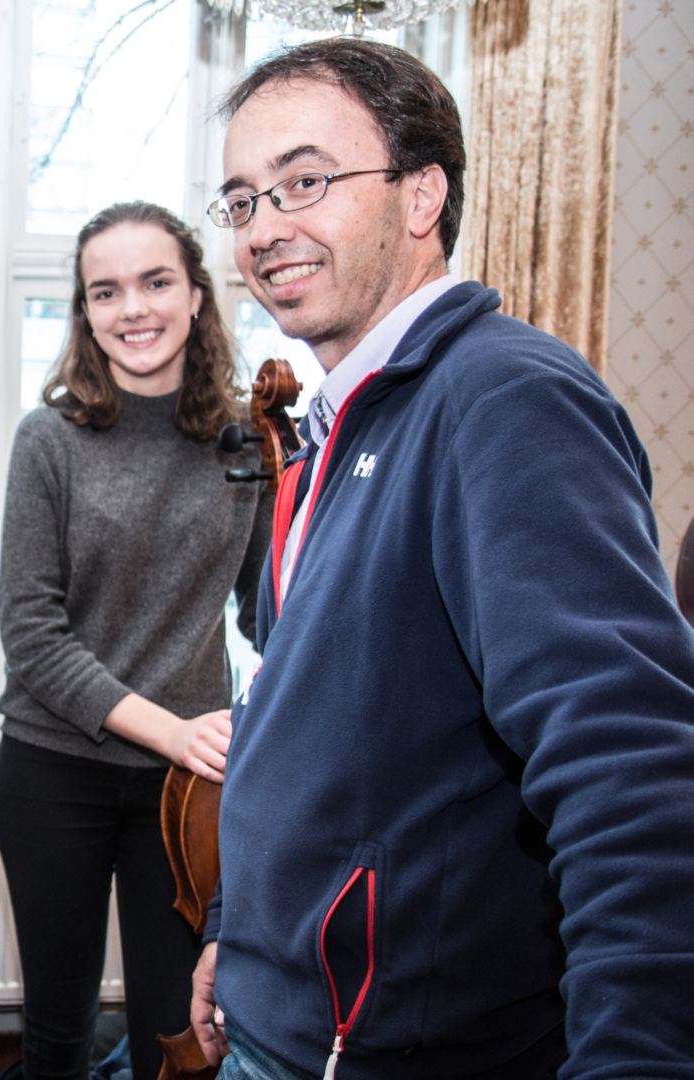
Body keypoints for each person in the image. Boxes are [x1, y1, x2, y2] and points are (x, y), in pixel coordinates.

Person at [188, 38, 694, 1080]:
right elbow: (290, 719)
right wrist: (235, 931)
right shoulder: (330, 430)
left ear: (423, 196)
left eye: (305, 183)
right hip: (277, 1025)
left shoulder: (503, 398)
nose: (266, 228)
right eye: (242, 201)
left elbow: (630, 768)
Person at [0, 200, 272, 1080]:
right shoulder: (51, 440)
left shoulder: (249, 442)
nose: (133, 308)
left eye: (155, 282)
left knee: (178, 1031)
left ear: (196, 294)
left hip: (185, 794)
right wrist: (175, 729)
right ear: (85, 314)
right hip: (53, 770)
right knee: (57, 1032)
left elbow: (271, 614)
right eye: (105, 291)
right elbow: (32, 636)